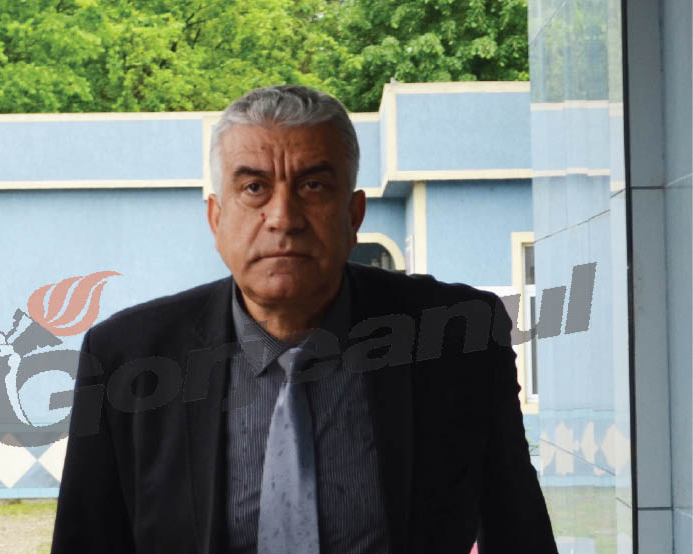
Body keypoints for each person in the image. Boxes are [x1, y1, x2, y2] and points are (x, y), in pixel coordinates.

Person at [51, 85, 558, 554]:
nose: (283, 217)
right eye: (254, 187)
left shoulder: (460, 339)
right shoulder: (126, 358)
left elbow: (519, 530)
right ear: (216, 218)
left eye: (313, 185)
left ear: (354, 216)